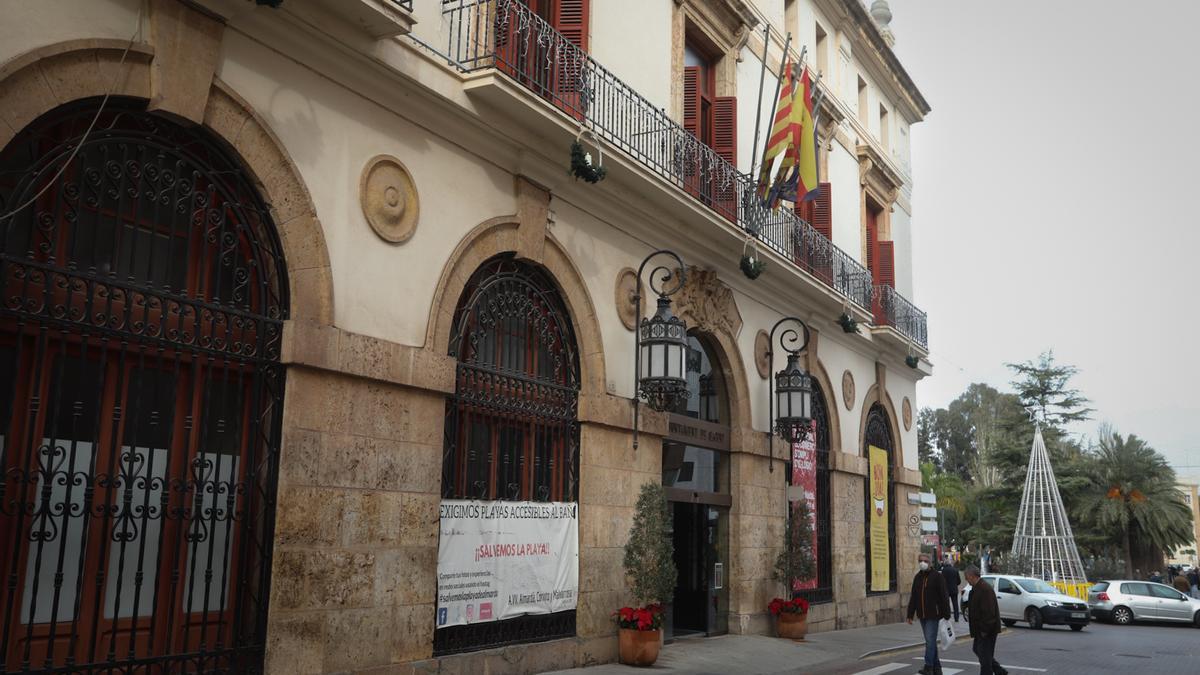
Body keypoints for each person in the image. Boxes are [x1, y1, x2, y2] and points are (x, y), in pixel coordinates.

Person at [907, 553, 951, 675]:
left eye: (925, 561)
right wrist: (910, 614)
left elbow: (944, 596)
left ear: (930, 563)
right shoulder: (917, 577)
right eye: (920, 560)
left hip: (934, 614)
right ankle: (937, 668)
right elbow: (914, 597)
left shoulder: (937, 577)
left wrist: (946, 614)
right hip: (922, 614)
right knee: (930, 640)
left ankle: (928, 666)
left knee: (930, 641)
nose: (922, 562)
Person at [964, 566, 1007, 675]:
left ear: (972, 576)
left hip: (986, 630)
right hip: (981, 629)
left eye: (967, 577)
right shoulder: (976, 588)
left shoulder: (984, 589)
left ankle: (994, 671)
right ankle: (998, 670)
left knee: (985, 659)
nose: (966, 580)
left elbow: (989, 613)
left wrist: (984, 631)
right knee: (979, 651)